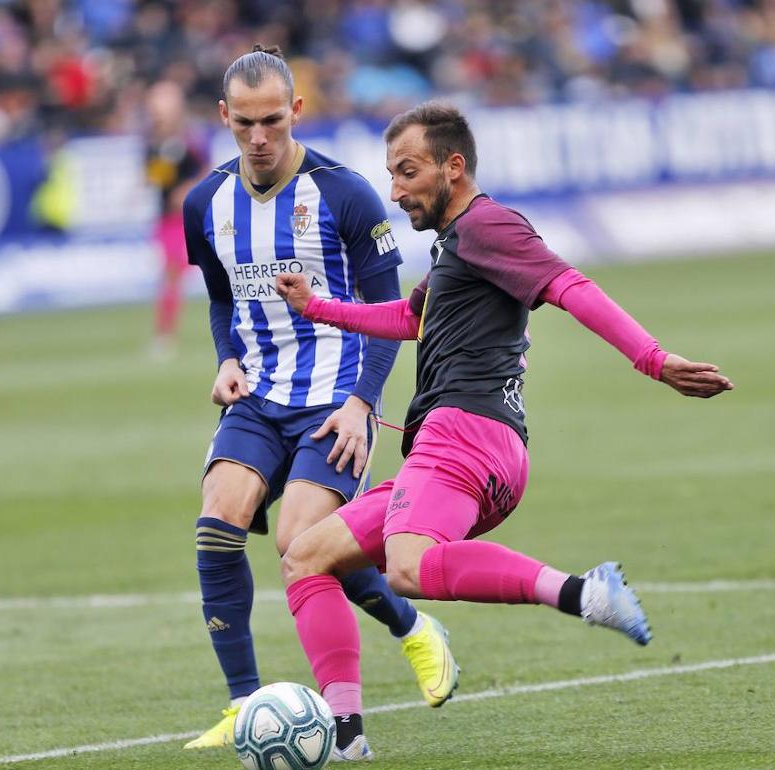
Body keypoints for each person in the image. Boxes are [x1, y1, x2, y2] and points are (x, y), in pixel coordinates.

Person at [273, 102, 734, 751]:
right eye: (391, 174)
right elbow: (412, 320)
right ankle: (345, 733)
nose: (396, 189)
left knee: (406, 568)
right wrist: (315, 306)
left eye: (407, 171)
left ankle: (582, 592)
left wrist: (653, 359)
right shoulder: (459, 246)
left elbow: (571, 285)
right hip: (474, 447)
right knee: (308, 557)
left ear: (453, 167)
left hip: (462, 437)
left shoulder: (490, 226)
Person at [180, 49, 458, 758]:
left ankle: (413, 629)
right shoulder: (204, 203)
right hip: (258, 396)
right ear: (225, 118)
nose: (260, 136)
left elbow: (393, 309)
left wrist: (364, 403)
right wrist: (226, 360)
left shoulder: (345, 194)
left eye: (273, 119)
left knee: (301, 546)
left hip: (333, 399)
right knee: (217, 525)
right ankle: (245, 705)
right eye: (245, 123)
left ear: (296, 110)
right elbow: (221, 297)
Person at [145, 80, 205, 360]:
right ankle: (165, 333)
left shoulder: (188, 139)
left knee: (175, 273)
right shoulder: (154, 141)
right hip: (165, 219)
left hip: (185, 217)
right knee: (171, 275)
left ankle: (165, 335)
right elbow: (155, 177)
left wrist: (187, 188)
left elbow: (206, 169)